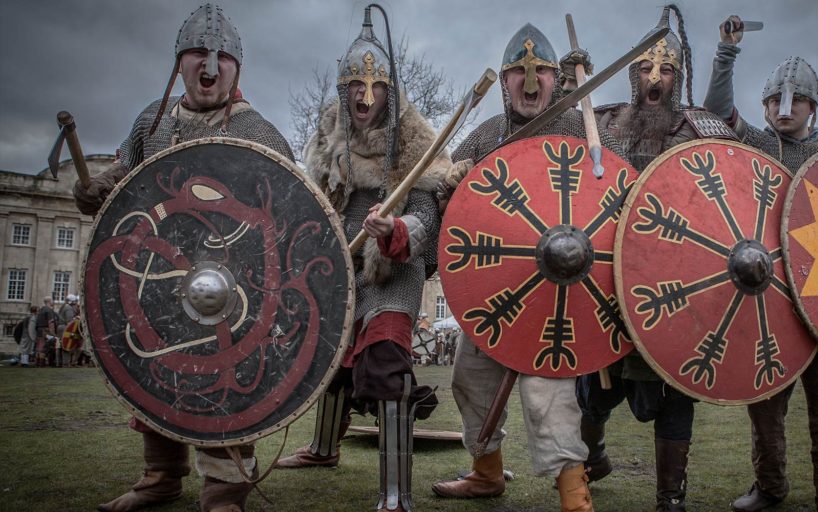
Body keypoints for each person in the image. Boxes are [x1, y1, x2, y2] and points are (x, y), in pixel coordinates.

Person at [72, 5, 293, 511]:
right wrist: (96, 191)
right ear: (179, 61)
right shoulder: (153, 120)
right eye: (198, 53)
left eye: (222, 57)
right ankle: (160, 476)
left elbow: (286, 210)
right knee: (156, 374)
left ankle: (224, 488)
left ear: (238, 67)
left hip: (231, 286)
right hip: (157, 277)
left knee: (228, 383)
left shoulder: (257, 132)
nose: (210, 66)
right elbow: (123, 177)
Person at [430, 22, 623, 512]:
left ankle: (576, 499)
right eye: (520, 72)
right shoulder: (486, 137)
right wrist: (449, 189)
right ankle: (486, 473)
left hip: (557, 296)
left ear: (559, 80)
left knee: (550, 398)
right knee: (469, 381)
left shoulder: (584, 131)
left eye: (541, 73)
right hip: (494, 293)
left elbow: (617, 202)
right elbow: (447, 209)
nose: (531, 82)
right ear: (504, 82)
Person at [273, 7, 444, 511]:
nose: (366, 98)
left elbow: (426, 210)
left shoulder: (412, 140)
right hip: (337, 267)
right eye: (356, 88)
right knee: (328, 359)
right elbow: (314, 208)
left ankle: (396, 495)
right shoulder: (327, 142)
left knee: (386, 362)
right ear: (343, 90)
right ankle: (324, 448)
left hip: (391, 271)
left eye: (376, 88)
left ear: (391, 92)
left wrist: (396, 231)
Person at [576, 6, 736, 512]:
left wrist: (726, 57)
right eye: (646, 68)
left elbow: (738, 171)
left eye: (666, 70)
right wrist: (566, 82)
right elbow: (558, 167)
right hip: (605, 278)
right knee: (595, 387)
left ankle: (671, 497)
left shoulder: (697, 130)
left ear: (677, 77)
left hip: (676, 282)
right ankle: (594, 453)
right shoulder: (600, 125)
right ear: (632, 74)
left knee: (675, 391)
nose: (655, 78)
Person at [703, 15, 818, 512]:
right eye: (773, 100)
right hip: (768, 301)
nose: (782, 108)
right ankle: (770, 489)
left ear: (813, 107)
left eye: (794, 101)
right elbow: (717, 111)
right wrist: (727, 53)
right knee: (765, 408)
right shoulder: (755, 146)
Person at [56, 295, 77, 367]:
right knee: (67, 345)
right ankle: (65, 363)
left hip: (60, 327)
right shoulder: (69, 308)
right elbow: (69, 321)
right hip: (65, 328)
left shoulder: (63, 307)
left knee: (60, 346)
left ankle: (58, 362)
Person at [35, 297, 57, 367]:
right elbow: (51, 322)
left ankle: (38, 362)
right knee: (44, 347)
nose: (53, 302)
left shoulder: (41, 310)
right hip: (45, 330)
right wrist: (53, 333)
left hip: (39, 329)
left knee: (39, 346)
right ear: (49, 302)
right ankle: (41, 363)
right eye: (52, 301)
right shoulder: (49, 310)